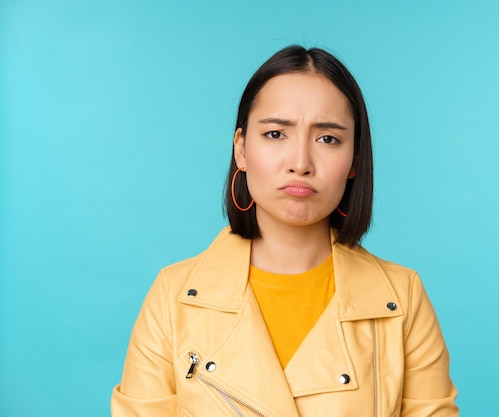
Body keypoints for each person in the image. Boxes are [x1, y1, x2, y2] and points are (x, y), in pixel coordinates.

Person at [111, 45, 459, 417]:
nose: (300, 163)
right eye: (276, 134)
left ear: (354, 159)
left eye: (327, 139)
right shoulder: (173, 297)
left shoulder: (401, 299)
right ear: (241, 150)